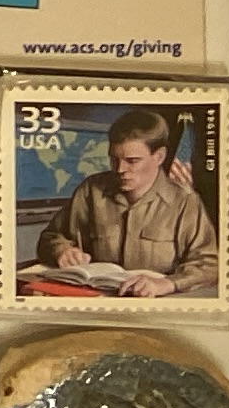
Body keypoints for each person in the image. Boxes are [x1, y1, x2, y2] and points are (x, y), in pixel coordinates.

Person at [35, 107, 219, 298]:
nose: (120, 169)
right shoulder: (91, 190)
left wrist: (168, 283)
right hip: (96, 299)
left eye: (132, 161)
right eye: (114, 159)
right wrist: (62, 250)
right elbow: (51, 237)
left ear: (159, 157)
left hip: (153, 303)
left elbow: (209, 266)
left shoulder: (184, 201)